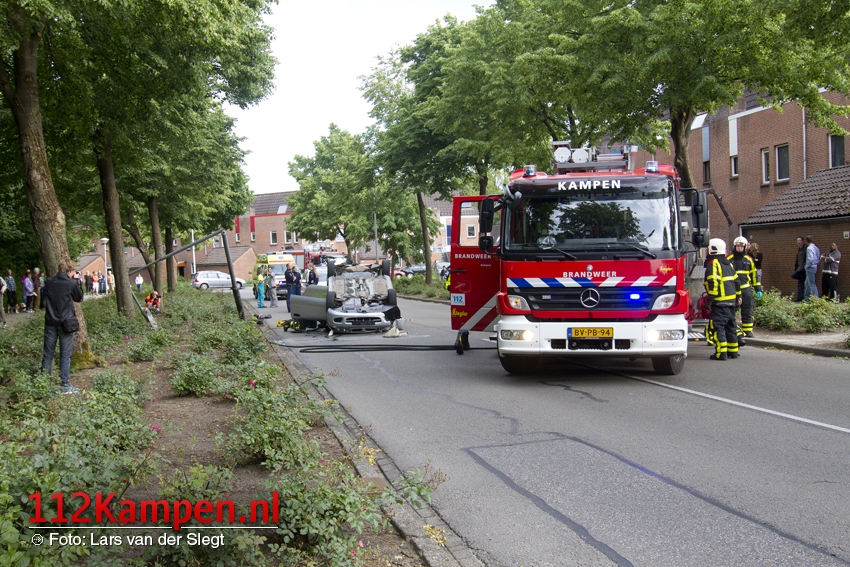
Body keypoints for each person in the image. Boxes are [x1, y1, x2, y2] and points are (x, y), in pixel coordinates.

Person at [41, 261, 84, 394]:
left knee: (48, 354)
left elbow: (44, 295)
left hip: (50, 322)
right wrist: (77, 282)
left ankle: (43, 385)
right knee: (65, 355)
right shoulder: (71, 283)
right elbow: (79, 298)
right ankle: (64, 385)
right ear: (69, 271)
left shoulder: (49, 282)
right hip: (66, 323)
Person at [704, 238, 741, 361]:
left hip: (719, 302)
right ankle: (733, 352)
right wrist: (738, 297)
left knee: (718, 327)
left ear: (712, 249)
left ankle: (721, 354)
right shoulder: (728, 263)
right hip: (731, 302)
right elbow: (737, 281)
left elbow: (713, 281)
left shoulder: (713, 263)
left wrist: (710, 299)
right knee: (730, 327)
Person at [728, 236, 761, 338]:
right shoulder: (729, 259)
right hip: (733, 289)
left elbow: (754, 275)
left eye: (742, 246)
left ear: (745, 247)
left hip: (746, 289)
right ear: (735, 246)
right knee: (732, 310)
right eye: (738, 246)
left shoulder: (749, 259)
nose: (739, 248)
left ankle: (748, 331)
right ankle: (732, 330)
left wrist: (758, 289)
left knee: (747, 309)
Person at [804, 235, 820, 300]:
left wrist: (806, 266)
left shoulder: (809, 248)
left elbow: (810, 259)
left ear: (806, 241)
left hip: (810, 267)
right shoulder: (816, 248)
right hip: (815, 266)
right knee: (807, 283)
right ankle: (807, 297)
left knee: (811, 283)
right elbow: (818, 257)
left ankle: (816, 298)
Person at [793, 236, 807, 301]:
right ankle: (800, 297)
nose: (798, 242)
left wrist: (805, 265)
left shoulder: (805, 248)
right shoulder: (799, 249)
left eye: (799, 240)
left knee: (793, 275)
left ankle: (804, 297)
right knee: (800, 283)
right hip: (799, 268)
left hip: (803, 269)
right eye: (797, 241)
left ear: (802, 241)